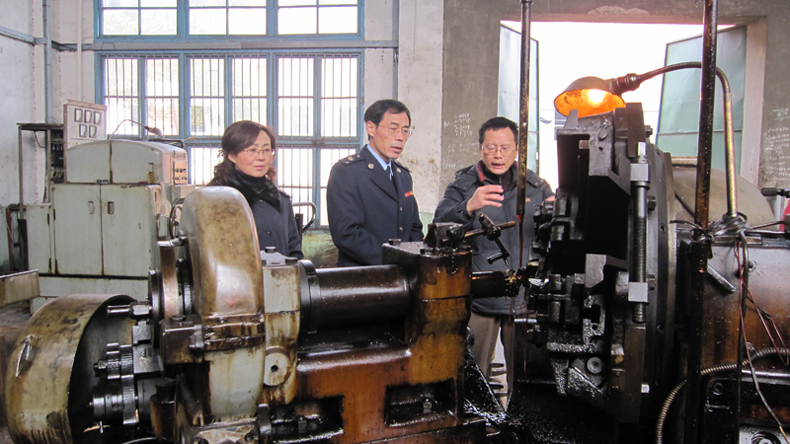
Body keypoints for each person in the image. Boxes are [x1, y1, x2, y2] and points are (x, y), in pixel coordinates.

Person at [433, 116, 553, 393]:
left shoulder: (536, 188)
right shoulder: (464, 186)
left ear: (517, 151)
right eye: (491, 147)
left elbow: (549, 238)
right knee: (472, 377)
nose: (498, 155)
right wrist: (468, 207)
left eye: (505, 148)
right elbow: (439, 228)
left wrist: (556, 214)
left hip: (524, 300)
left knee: (527, 380)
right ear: (480, 149)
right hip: (480, 297)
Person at [327, 99, 423, 266]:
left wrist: (416, 261)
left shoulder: (403, 175)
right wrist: (394, 260)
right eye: (393, 129)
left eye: (405, 131)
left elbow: (414, 227)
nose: (400, 137)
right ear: (371, 128)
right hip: (365, 275)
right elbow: (347, 233)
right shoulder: (347, 172)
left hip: (404, 274)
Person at [208, 120, 303, 259]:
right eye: (252, 150)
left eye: (266, 150)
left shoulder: (280, 200)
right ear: (232, 155)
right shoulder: (215, 201)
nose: (261, 157)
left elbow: (294, 252)